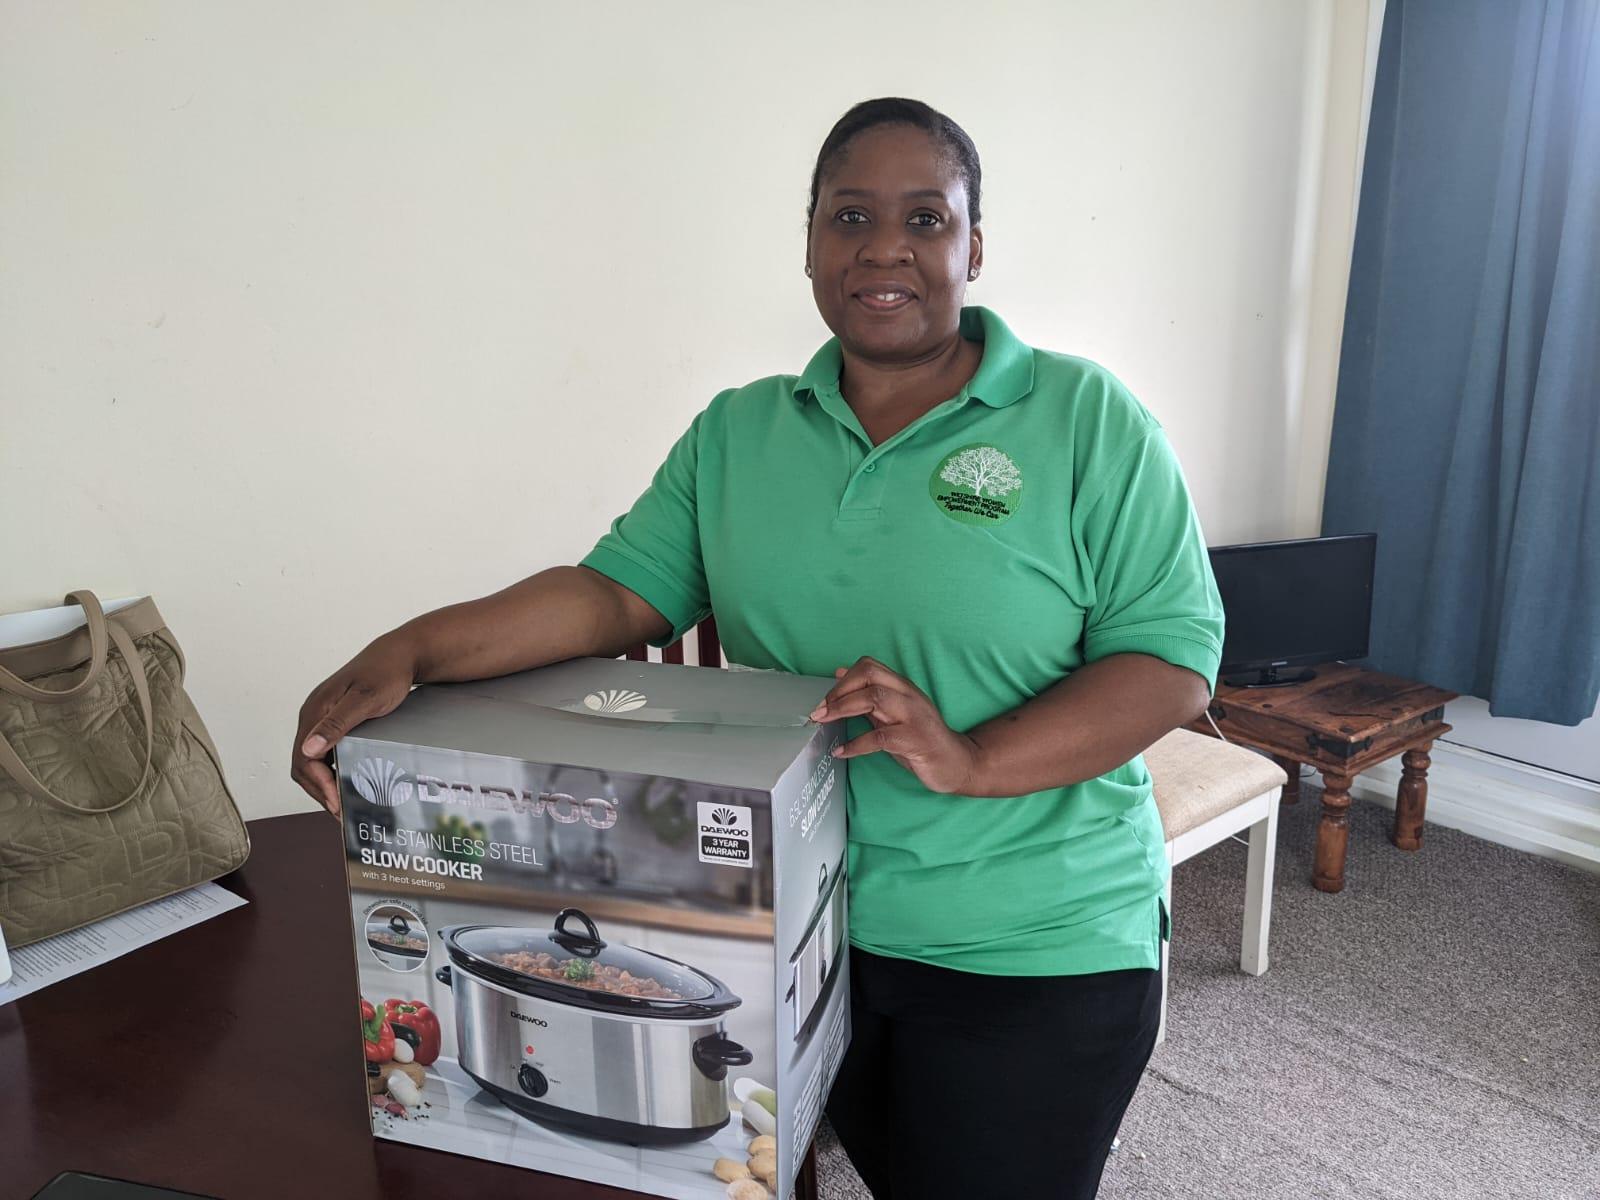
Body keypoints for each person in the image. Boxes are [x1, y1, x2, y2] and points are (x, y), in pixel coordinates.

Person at [293, 97, 1223, 1200]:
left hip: (1028, 943)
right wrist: (413, 651)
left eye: (926, 220)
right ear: (810, 245)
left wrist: (970, 758)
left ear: (975, 245)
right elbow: (611, 595)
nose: (885, 248)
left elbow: (1167, 660)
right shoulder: (740, 430)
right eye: (849, 217)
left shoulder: (1086, 419)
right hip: (790, 930)